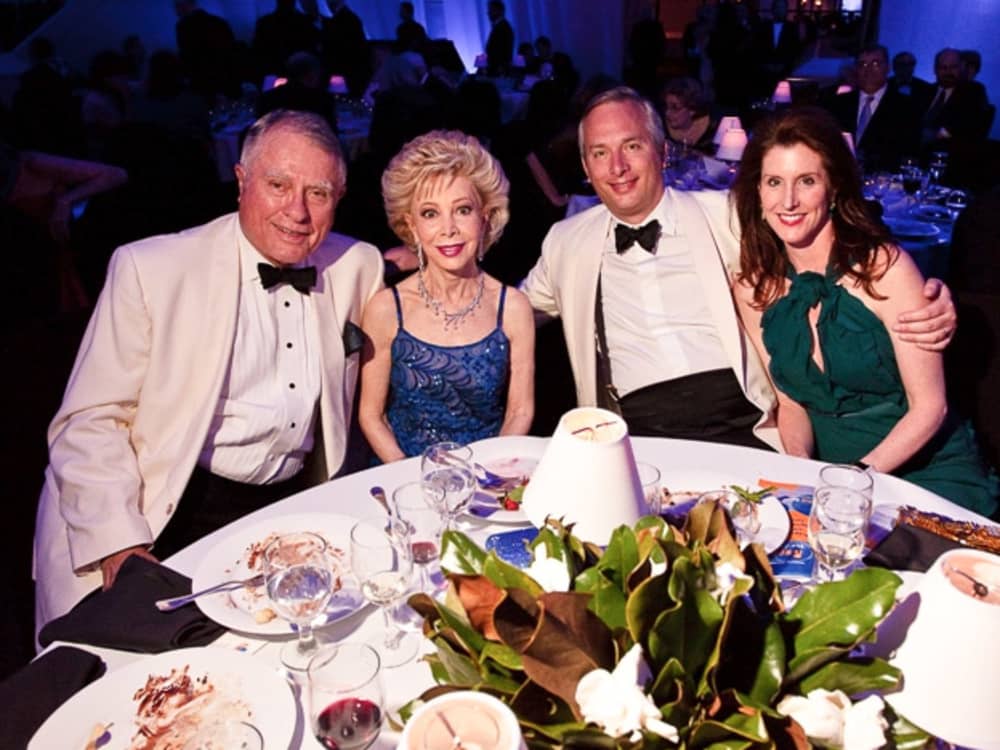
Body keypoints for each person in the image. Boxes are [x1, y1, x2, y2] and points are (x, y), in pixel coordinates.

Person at [33, 110, 384, 630]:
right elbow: (89, 420)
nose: (297, 211)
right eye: (278, 185)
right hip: (164, 506)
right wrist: (119, 543)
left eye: (318, 193)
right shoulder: (152, 269)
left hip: (284, 510)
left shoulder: (358, 265)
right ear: (241, 181)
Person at [520, 86, 957, 452]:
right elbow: (508, 311)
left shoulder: (728, 214)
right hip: (638, 430)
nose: (617, 167)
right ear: (586, 166)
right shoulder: (566, 241)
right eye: (600, 153)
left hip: (743, 416)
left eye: (632, 146)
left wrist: (926, 293)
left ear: (662, 151)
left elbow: (831, 247)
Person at [731, 106, 996, 515]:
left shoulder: (884, 269)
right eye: (774, 182)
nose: (788, 201)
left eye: (807, 181)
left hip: (923, 468)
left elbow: (930, 408)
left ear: (834, 188)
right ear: (758, 192)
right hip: (830, 473)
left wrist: (854, 479)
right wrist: (801, 471)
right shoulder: (753, 289)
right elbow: (792, 404)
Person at [359, 130, 534, 461]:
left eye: (463, 210)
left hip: (486, 473)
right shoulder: (386, 308)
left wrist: (485, 473)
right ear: (412, 226)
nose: (448, 228)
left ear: (484, 218)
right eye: (430, 213)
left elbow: (520, 411)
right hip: (402, 476)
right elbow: (371, 416)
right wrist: (411, 477)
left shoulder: (512, 307)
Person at [825, 44, 920, 172]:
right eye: (862, 64)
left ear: (887, 68)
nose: (868, 70)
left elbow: (909, 152)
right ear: (856, 69)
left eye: (875, 64)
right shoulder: (838, 103)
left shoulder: (906, 107)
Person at [660, 76, 717, 157]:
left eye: (675, 108)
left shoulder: (713, 128)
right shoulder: (660, 126)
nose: (667, 113)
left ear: (692, 109)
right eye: (666, 106)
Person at [484, 0, 514, 77]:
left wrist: (500, 67)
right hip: (497, 69)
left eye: (490, 10)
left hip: (498, 71)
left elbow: (502, 51)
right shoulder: (501, 26)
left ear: (497, 11)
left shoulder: (503, 27)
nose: (488, 13)